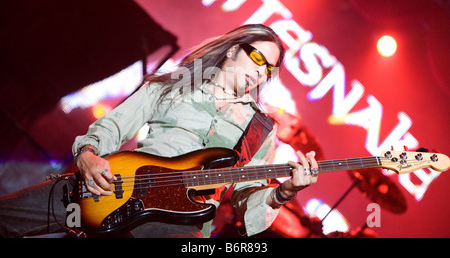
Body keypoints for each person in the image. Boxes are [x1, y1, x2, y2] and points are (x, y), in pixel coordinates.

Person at [0, 24, 318, 238]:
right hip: (116, 186)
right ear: (234, 50)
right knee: (8, 215)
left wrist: (284, 192)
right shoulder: (173, 85)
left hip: (179, 222)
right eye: (257, 58)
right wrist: (87, 154)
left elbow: (248, 201)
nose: (260, 72)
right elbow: (113, 125)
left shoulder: (259, 131)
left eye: (269, 68)